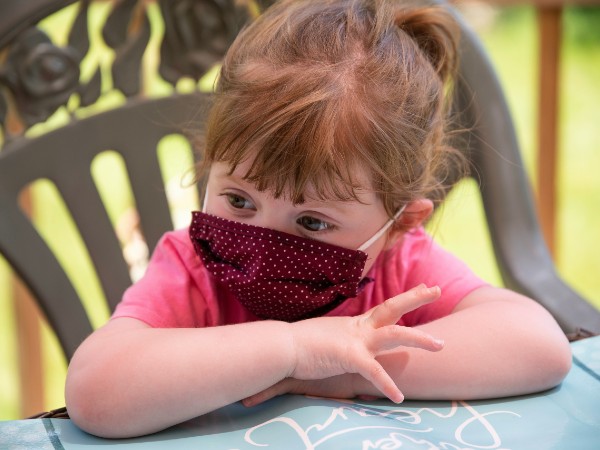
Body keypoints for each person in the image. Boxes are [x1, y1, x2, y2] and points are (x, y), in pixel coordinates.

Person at [65, 0, 571, 438]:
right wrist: (292, 348)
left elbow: (538, 345)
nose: (260, 239)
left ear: (399, 225)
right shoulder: (191, 269)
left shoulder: (401, 269)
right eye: (239, 201)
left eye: (311, 223)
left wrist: (346, 371)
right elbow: (95, 390)